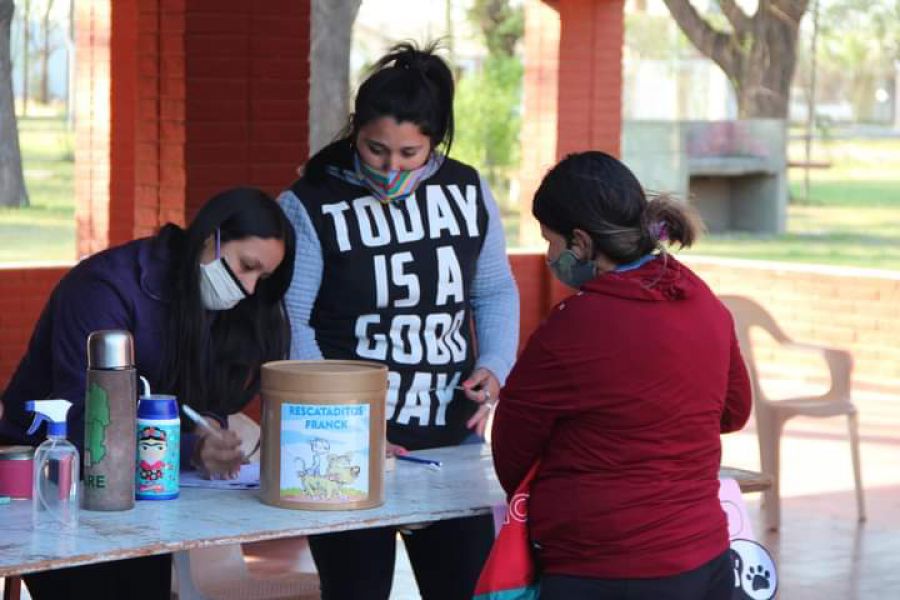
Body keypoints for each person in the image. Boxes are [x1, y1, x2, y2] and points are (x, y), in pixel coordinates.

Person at [279, 42, 519, 599]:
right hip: (344, 450)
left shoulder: (465, 189)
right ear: (354, 130)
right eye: (376, 149)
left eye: (409, 153)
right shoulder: (311, 201)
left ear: (433, 142)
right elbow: (294, 318)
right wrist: (347, 429)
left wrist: (495, 363)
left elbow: (493, 289)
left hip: (449, 439)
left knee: (462, 588)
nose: (391, 168)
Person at [0, 187, 295, 599]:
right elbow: (88, 420)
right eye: (246, 266)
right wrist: (190, 445)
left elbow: (201, 396)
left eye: (261, 278)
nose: (247, 289)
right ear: (210, 239)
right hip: (54, 479)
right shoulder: (104, 287)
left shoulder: (220, 301)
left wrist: (210, 426)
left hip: (146, 491)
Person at [491, 151, 752, 600]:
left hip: (602, 566)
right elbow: (732, 411)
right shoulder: (701, 300)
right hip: (704, 559)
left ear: (581, 242)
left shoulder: (573, 325)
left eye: (549, 240)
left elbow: (513, 449)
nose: (550, 255)